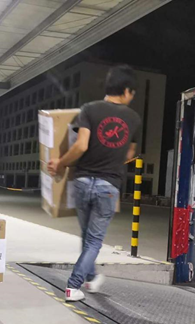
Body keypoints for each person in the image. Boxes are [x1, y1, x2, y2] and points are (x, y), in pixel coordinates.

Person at [48, 64, 140, 301]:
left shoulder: (89, 109)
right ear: (126, 90)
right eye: (132, 93)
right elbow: (130, 153)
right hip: (108, 185)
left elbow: (81, 145)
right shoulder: (133, 118)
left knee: (87, 235)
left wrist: (60, 163)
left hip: (81, 181)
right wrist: (113, 156)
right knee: (94, 240)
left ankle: (90, 278)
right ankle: (73, 286)